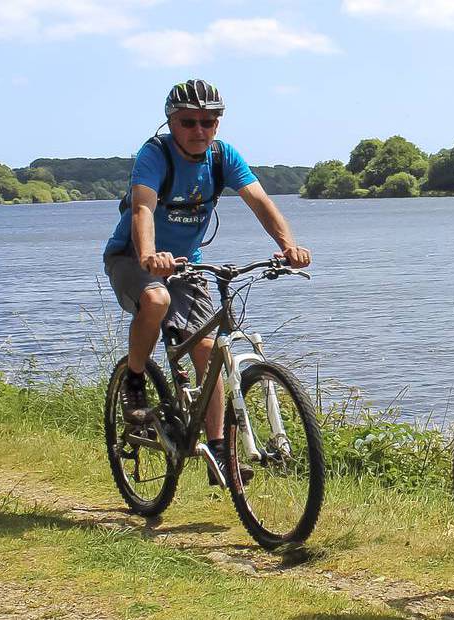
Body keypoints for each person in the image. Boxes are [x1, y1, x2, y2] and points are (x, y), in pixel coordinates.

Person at [104, 79, 311, 484]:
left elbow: (260, 201)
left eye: (209, 122)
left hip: (187, 265)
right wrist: (148, 255)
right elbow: (143, 209)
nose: (199, 131)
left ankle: (220, 452)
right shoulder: (155, 154)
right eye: (188, 122)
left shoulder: (222, 156)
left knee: (207, 349)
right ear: (171, 122)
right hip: (132, 256)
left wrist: (289, 246)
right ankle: (133, 379)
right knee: (157, 300)